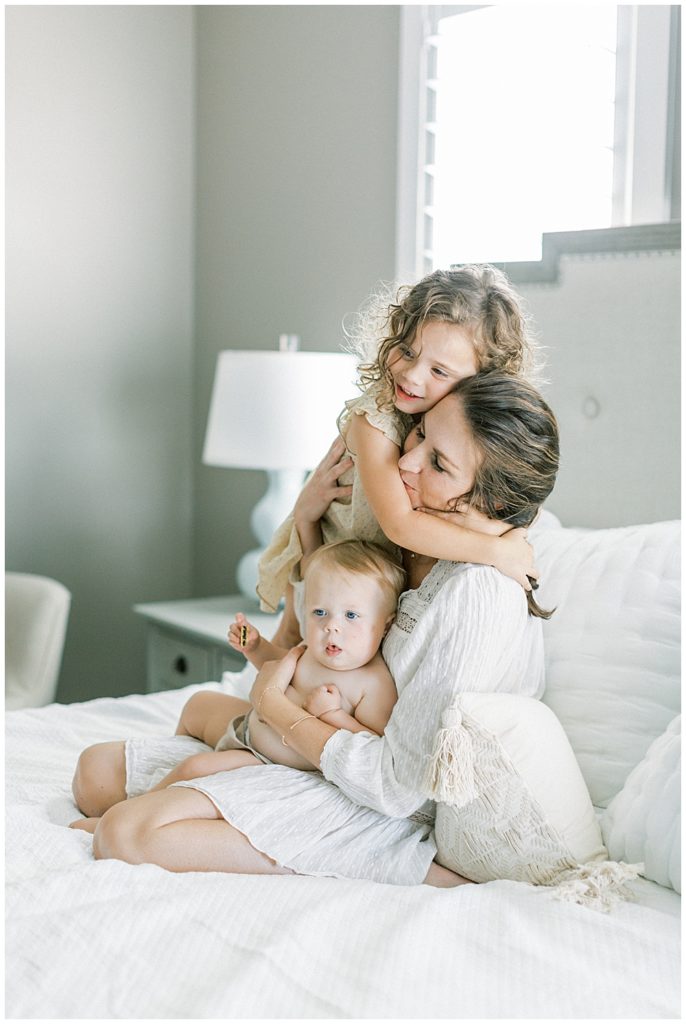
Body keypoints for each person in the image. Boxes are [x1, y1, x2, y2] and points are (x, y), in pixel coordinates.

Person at [87, 371, 560, 888]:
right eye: (420, 432)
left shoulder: (475, 595)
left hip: (373, 800)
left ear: (490, 502)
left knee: (123, 835)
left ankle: (421, 873)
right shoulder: (418, 527)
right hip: (312, 745)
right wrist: (307, 519)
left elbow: (400, 787)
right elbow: (320, 613)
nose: (405, 461)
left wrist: (276, 709)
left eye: (438, 463)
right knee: (94, 776)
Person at [260, 265, 541, 651]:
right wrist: (496, 549)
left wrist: (499, 533)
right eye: (407, 351)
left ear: (479, 382)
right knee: (291, 644)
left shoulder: (459, 441)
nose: (411, 375)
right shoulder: (374, 418)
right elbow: (399, 524)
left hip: (362, 571)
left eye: (439, 370)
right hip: (334, 544)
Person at [71, 541, 403, 832]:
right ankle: (177, 752)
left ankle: (127, 816)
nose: (332, 627)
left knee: (195, 768)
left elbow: (370, 746)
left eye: (351, 616)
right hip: (249, 727)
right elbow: (279, 666)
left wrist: (332, 715)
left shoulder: (373, 683)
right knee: (197, 703)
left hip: (272, 761)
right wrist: (255, 647)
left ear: (385, 624)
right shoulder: (313, 650)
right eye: (320, 612)